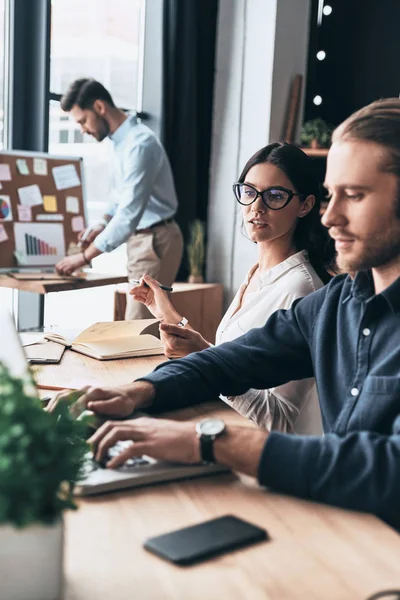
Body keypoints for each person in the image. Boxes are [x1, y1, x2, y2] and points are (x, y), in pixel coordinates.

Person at [53, 98, 400, 530]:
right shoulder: (337, 302)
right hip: (345, 528)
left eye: (356, 195)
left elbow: (387, 469)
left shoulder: (309, 288)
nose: (331, 217)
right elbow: (231, 360)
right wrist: (138, 393)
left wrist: (210, 440)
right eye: (333, 195)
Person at [129, 143, 335, 433]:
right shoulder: (258, 273)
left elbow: (279, 420)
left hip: (266, 461)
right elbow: (231, 358)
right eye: (249, 192)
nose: (256, 207)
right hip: (228, 432)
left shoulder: (301, 288)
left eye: (275, 196)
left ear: (305, 205)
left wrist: (205, 360)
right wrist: (168, 315)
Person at [55, 78, 183, 320]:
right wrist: (102, 223)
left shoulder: (140, 145)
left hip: (154, 240)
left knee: (138, 329)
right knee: (137, 328)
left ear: (100, 107)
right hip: (143, 240)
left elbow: (128, 215)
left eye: (82, 121)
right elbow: (119, 195)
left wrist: (82, 258)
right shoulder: (120, 142)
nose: (82, 129)